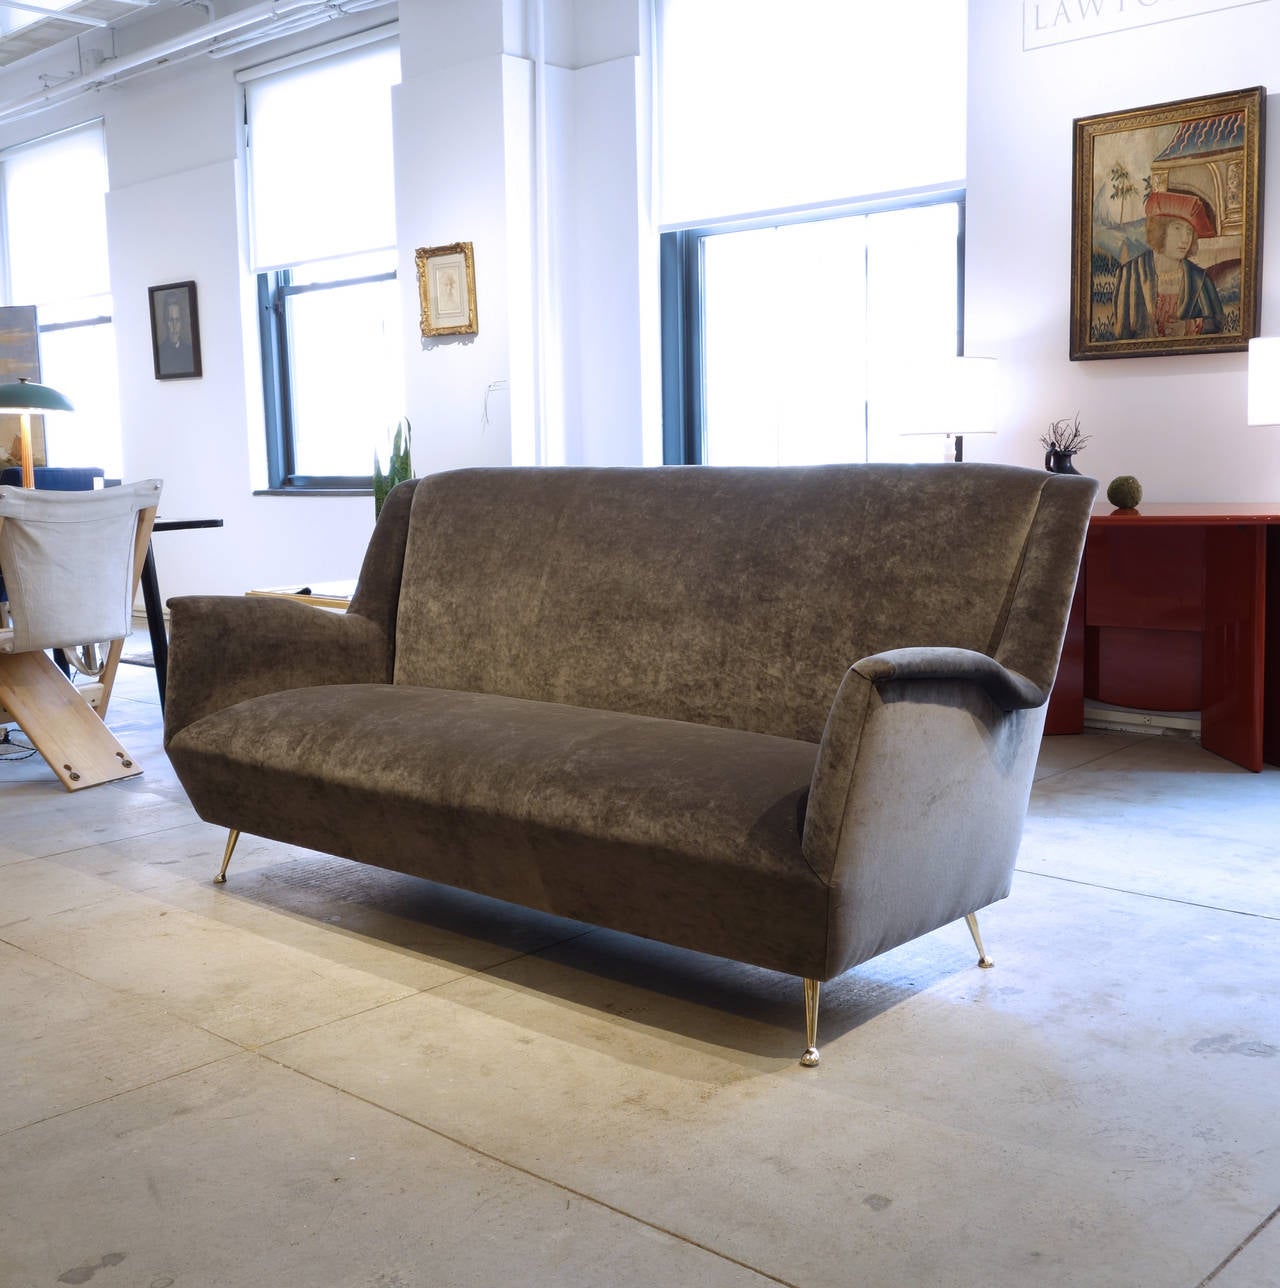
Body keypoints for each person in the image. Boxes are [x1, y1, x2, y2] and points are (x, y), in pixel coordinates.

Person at [1114, 190, 1224, 340]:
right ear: (1160, 230)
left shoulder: (1199, 279)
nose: (1185, 239)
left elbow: (1218, 323)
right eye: (1177, 228)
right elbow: (1120, 334)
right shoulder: (1131, 273)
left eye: (1189, 231)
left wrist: (1188, 327)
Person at [156, 294, 193, 375]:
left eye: (177, 320)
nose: (174, 326)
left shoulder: (190, 352)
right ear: (165, 322)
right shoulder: (159, 353)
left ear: (181, 322)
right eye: (170, 320)